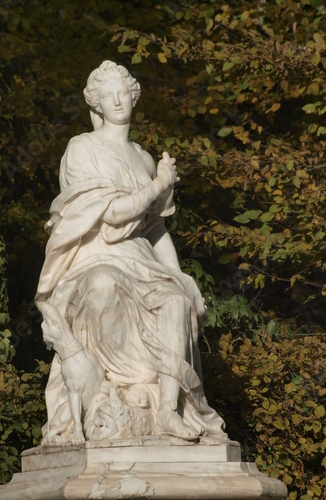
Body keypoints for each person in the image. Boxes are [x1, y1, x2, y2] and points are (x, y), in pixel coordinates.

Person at [36, 60, 226, 442]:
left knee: (176, 300)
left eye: (124, 92)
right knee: (104, 283)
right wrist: (159, 185)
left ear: (134, 97)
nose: (118, 100)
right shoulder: (82, 149)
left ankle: (168, 410)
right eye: (109, 95)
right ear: (97, 104)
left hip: (142, 258)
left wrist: (181, 277)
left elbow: (156, 230)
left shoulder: (143, 157)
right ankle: (109, 397)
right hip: (96, 256)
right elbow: (112, 215)